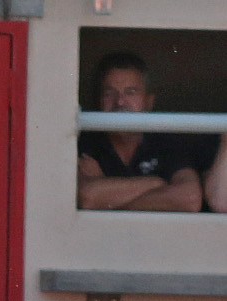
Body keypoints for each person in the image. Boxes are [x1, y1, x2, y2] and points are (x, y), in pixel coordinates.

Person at [76, 52, 204, 213]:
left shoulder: (166, 140)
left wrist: (107, 194)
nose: (120, 102)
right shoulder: (87, 140)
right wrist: (155, 183)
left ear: (149, 102)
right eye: (109, 93)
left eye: (131, 92)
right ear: (99, 100)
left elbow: (189, 199)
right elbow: (88, 197)